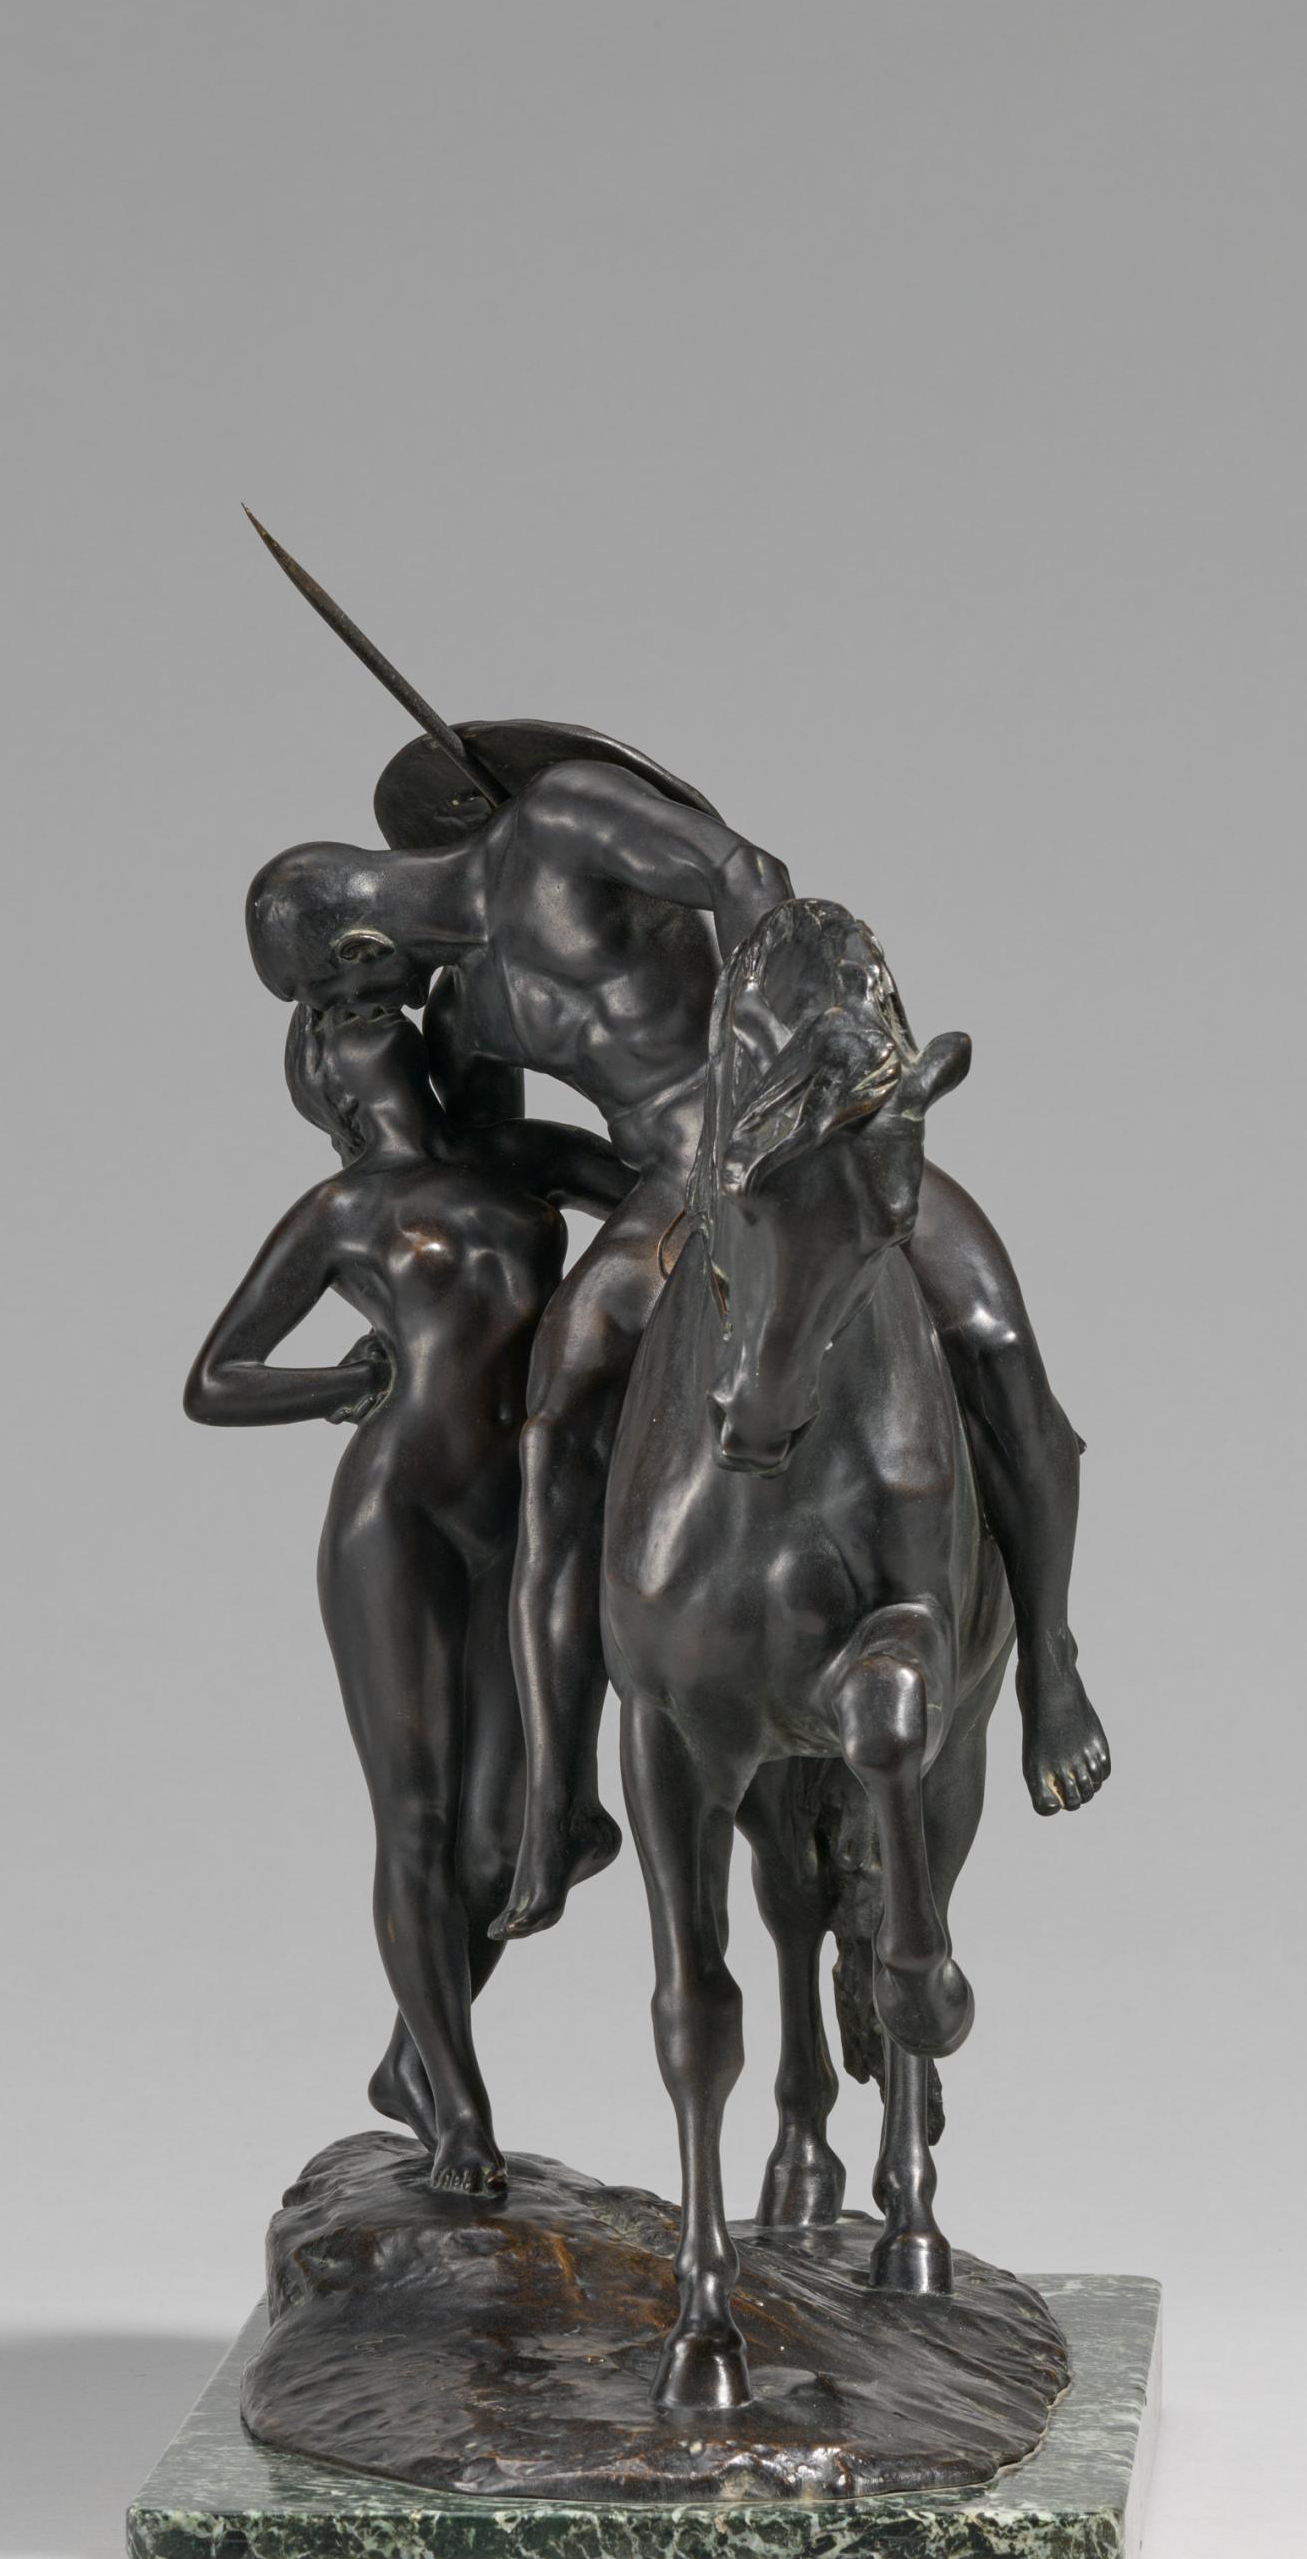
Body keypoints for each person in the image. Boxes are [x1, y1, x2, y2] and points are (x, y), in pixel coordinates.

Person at [245, 729, 1112, 1944]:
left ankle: (1050, 1664)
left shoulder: (563, 822)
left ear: (354, 945)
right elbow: (492, 1159)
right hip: (666, 1196)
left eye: (332, 996)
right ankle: (562, 1798)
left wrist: (773, 1114)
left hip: (796, 1147)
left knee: (994, 1343)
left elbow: (748, 872)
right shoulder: (468, 1009)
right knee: (557, 1419)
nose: (346, 1017)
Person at [183, 997, 629, 2196]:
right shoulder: (340, 1211)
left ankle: (407, 2060)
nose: (357, 1012)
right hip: (398, 1514)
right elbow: (213, 1380)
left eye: (370, 1002)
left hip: (527, 1515)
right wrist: (340, 1385)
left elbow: (666, 1203)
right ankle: (461, 2113)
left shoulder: (517, 1157)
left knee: (507, 1832)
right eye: (332, 1017)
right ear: (325, 1081)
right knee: (418, 1821)